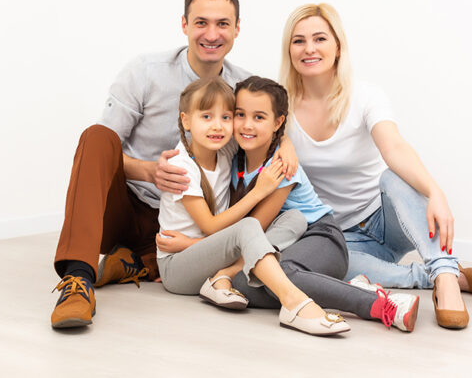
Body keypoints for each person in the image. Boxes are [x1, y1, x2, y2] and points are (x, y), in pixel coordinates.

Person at [50, 0, 259, 329]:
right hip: (128, 208)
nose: (211, 34)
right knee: (96, 136)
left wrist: (287, 144)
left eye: (222, 23)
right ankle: (77, 279)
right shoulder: (146, 71)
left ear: (237, 28)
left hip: (181, 227)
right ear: (184, 24)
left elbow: (270, 135)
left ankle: (135, 262)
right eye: (201, 22)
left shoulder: (246, 87)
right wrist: (148, 171)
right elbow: (102, 151)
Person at [278, 3, 472, 329]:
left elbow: (394, 148)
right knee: (318, 267)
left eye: (319, 39)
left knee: (395, 177)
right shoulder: (280, 105)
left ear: (338, 46)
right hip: (340, 237)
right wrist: (282, 140)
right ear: (288, 49)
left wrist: (435, 192)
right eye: (298, 41)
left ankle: (445, 274)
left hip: (387, 220)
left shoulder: (364, 95)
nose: (309, 49)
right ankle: (428, 276)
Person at [159, 76, 421, 332]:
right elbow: (196, 144)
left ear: (278, 122)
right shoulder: (232, 152)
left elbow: (255, 227)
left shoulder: (281, 167)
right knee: (246, 282)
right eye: (239, 115)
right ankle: (344, 286)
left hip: (318, 236)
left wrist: (192, 245)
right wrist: (286, 142)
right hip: (275, 238)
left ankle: (379, 304)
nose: (247, 125)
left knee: (278, 274)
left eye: (259, 117)